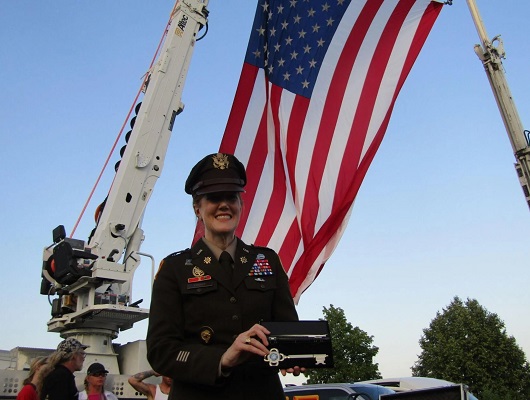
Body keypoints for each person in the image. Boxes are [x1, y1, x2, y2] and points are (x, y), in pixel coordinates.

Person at [147, 152, 300, 400]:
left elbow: (287, 329)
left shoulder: (267, 260)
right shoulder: (174, 269)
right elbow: (160, 351)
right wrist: (222, 359)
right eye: (213, 198)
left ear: (241, 204)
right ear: (197, 207)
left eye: (231, 197)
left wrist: (293, 353)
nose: (224, 205)